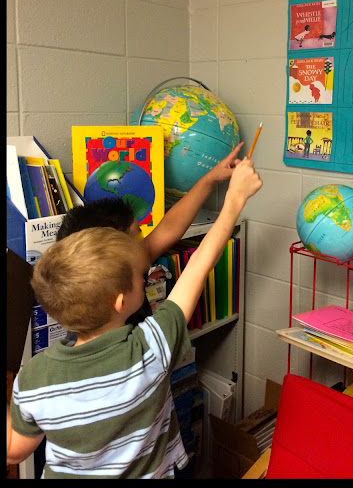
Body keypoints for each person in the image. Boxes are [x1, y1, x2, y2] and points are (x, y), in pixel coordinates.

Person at [7, 156, 263, 479]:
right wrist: (234, 201)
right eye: (139, 273)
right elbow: (198, 267)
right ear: (119, 298)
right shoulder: (150, 351)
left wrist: (211, 179)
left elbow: (15, 448)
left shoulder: (34, 380)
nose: (146, 268)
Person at [56, 142, 248, 325]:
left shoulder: (91, 296)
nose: (146, 242)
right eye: (138, 235)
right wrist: (235, 198)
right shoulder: (145, 343)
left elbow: (169, 228)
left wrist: (211, 179)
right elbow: (199, 263)